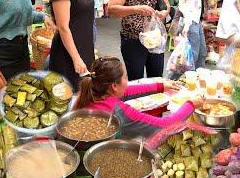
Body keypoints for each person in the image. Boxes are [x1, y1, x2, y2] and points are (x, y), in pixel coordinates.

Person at [73, 56, 202, 138]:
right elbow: (164, 125)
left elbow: (126, 91)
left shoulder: (93, 91)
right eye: (125, 78)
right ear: (114, 86)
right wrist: (190, 105)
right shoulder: (119, 112)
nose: (127, 81)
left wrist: (161, 86)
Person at [108, 0, 170, 80]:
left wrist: (164, 12)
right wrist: (135, 9)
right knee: (136, 80)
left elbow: (166, 4)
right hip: (133, 41)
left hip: (153, 38)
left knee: (156, 78)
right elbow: (111, 10)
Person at [48, 0, 95, 90]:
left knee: (85, 95)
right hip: (68, 53)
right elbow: (63, 27)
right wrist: (76, 58)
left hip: (84, 46)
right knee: (70, 99)